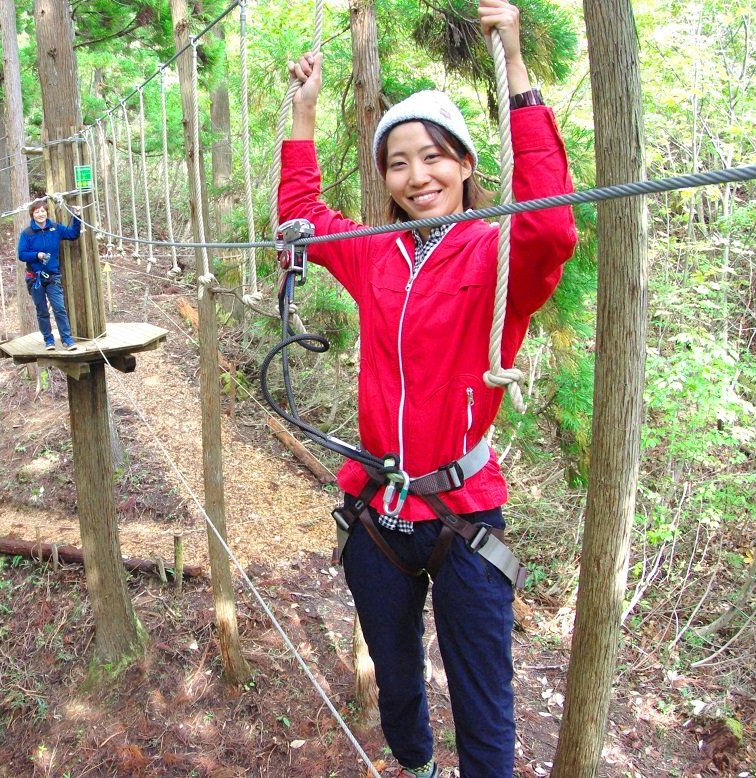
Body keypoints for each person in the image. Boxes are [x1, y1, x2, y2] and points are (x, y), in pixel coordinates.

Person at [279, 2, 577, 776]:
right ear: (384, 176)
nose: (419, 176)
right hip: (379, 512)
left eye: (436, 157)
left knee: (485, 696)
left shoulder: (497, 251)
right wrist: (302, 114)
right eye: (399, 162)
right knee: (398, 684)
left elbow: (552, 229)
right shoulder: (376, 252)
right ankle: (414, 767)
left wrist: (514, 64)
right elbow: (302, 217)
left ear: (467, 164)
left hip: (464, 513)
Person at [17, 197, 82, 351]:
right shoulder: (27, 233)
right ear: (32, 214)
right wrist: (37, 255)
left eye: (43, 211)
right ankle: (49, 340)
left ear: (46, 213)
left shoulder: (55, 228)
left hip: (53, 276)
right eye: (37, 212)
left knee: (59, 308)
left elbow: (73, 234)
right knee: (42, 311)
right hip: (35, 278)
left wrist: (77, 216)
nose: (40, 214)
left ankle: (67, 339)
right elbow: (22, 254)